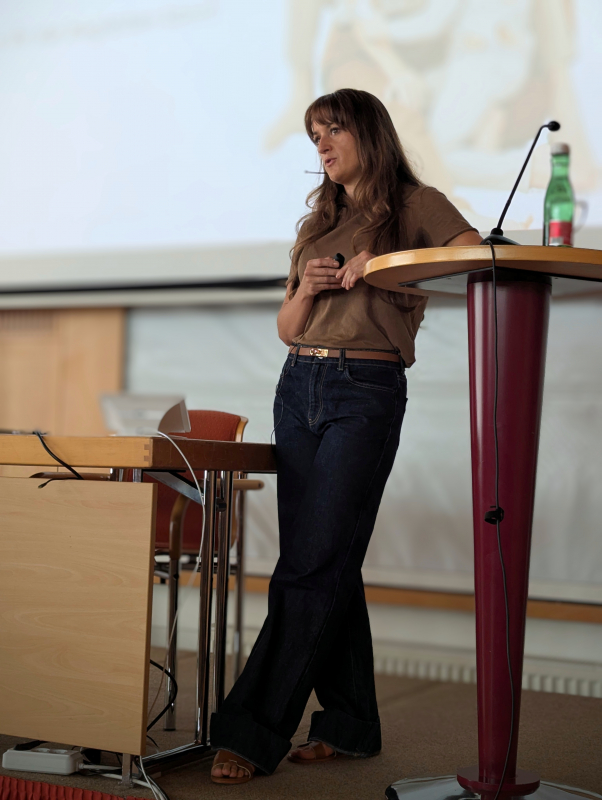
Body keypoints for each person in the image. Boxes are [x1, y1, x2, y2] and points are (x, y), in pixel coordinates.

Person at [210, 88, 481, 785]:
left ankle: (252, 729)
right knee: (325, 559)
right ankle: (350, 723)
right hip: (297, 385)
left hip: (365, 389)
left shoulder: (416, 204)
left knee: (310, 563)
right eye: (314, 137)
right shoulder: (319, 221)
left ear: (369, 133)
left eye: (333, 130)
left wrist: (385, 265)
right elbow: (288, 327)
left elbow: (473, 256)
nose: (322, 146)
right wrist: (307, 287)